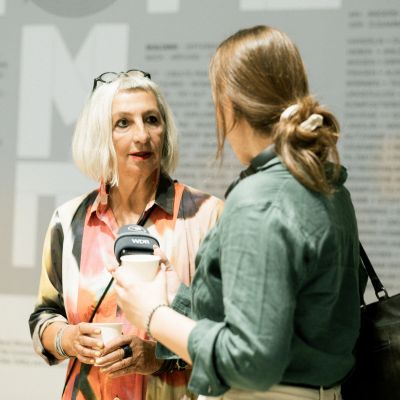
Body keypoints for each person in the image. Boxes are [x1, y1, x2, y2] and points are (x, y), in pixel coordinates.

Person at [113, 26, 364, 400]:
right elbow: (294, 316)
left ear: (228, 105)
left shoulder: (259, 200)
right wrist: (174, 297)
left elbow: (251, 360)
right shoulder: (326, 185)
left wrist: (152, 315)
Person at [29, 69, 223, 400]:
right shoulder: (69, 220)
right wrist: (68, 339)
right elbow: (43, 317)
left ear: (166, 131)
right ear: (100, 136)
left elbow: (225, 335)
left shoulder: (206, 214)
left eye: (151, 119)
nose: (142, 135)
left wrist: (159, 357)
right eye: (124, 123)